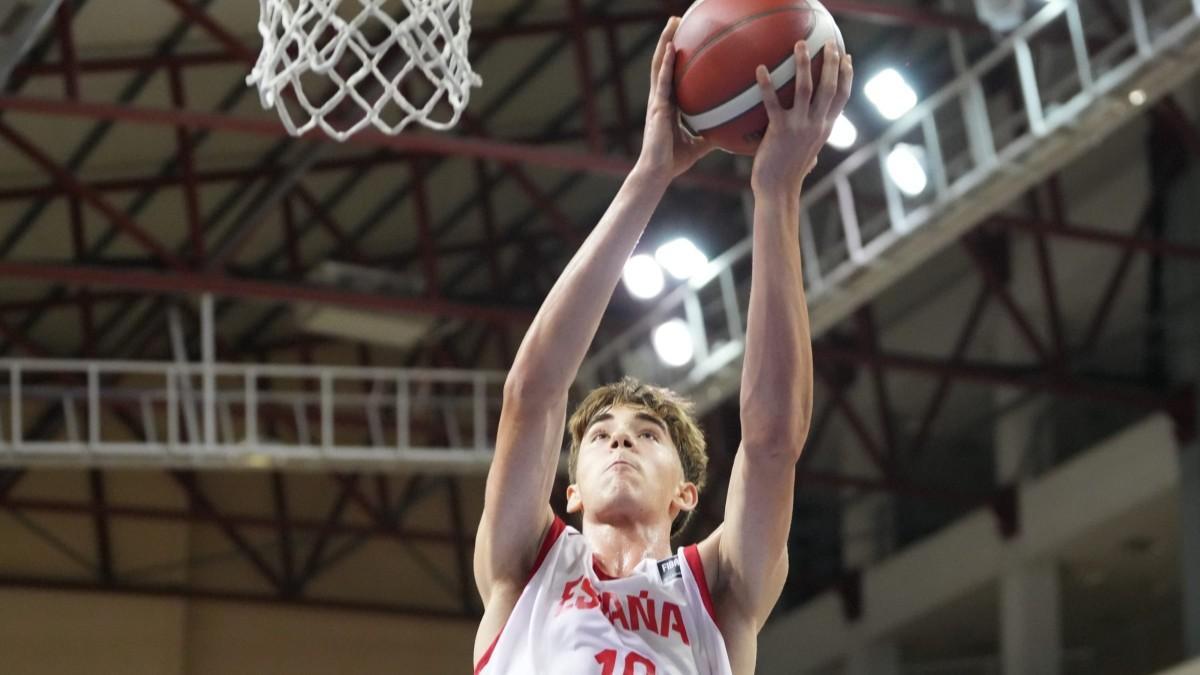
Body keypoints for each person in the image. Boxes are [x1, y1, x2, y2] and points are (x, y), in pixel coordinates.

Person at [473, 16, 854, 675]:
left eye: (647, 435)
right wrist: (650, 175)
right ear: (571, 492)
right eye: (601, 436)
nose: (620, 440)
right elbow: (532, 394)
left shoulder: (720, 591)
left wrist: (777, 194)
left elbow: (771, 443)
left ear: (686, 493)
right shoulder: (526, 564)